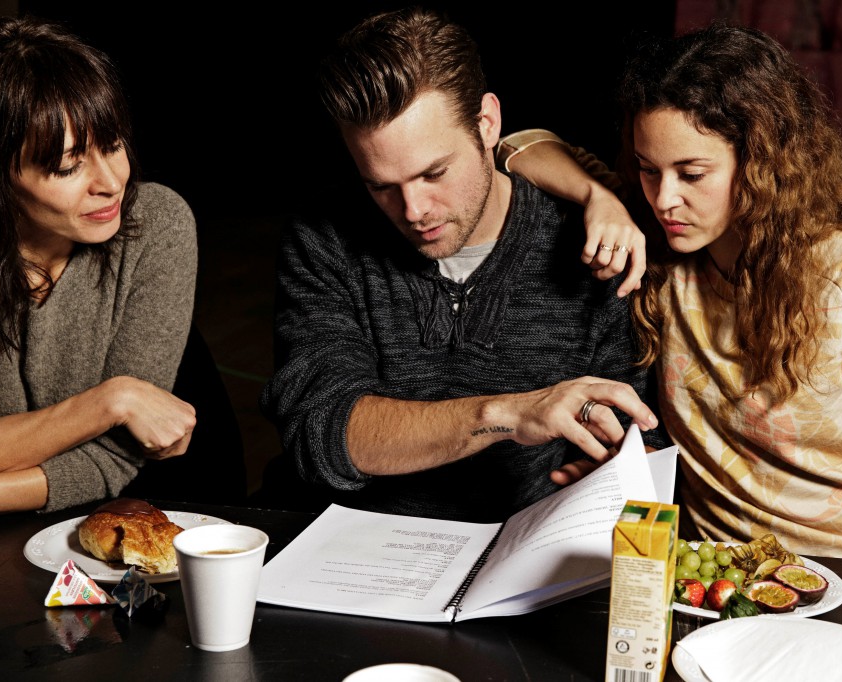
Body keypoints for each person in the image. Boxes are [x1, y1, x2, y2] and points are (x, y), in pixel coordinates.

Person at [497, 23, 842, 562]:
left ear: (761, 164)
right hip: (723, 582)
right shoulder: (661, 248)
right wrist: (598, 196)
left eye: (692, 173)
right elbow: (516, 143)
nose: (664, 199)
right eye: (649, 170)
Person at [258, 6, 662, 523]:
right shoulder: (324, 237)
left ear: (487, 123)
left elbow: (635, 440)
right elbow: (323, 433)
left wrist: (620, 477)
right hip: (348, 555)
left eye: (434, 172)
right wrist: (510, 413)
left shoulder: (595, 246)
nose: (413, 210)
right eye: (380, 185)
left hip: (525, 558)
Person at [0, 17, 198, 513]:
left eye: (113, 145)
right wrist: (110, 401)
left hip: (127, 520)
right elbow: (112, 424)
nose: (110, 182)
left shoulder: (157, 223)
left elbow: (115, 457)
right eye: (67, 166)